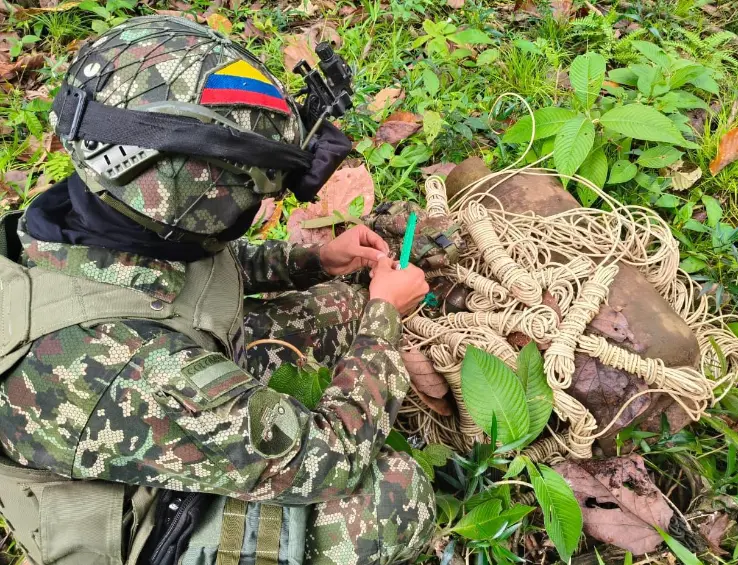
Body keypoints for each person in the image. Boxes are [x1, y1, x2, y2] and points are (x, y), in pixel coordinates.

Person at [0, 15, 460, 565]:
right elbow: (331, 459)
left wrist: (315, 258)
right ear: (184, 191)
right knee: (390, 497)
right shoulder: (142, 371)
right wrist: (385, 319)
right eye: (251, 192)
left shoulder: (82, 216)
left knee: (337, 306)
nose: (256, 206)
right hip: (147, 520)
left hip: (144, 387)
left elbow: (176, 270)